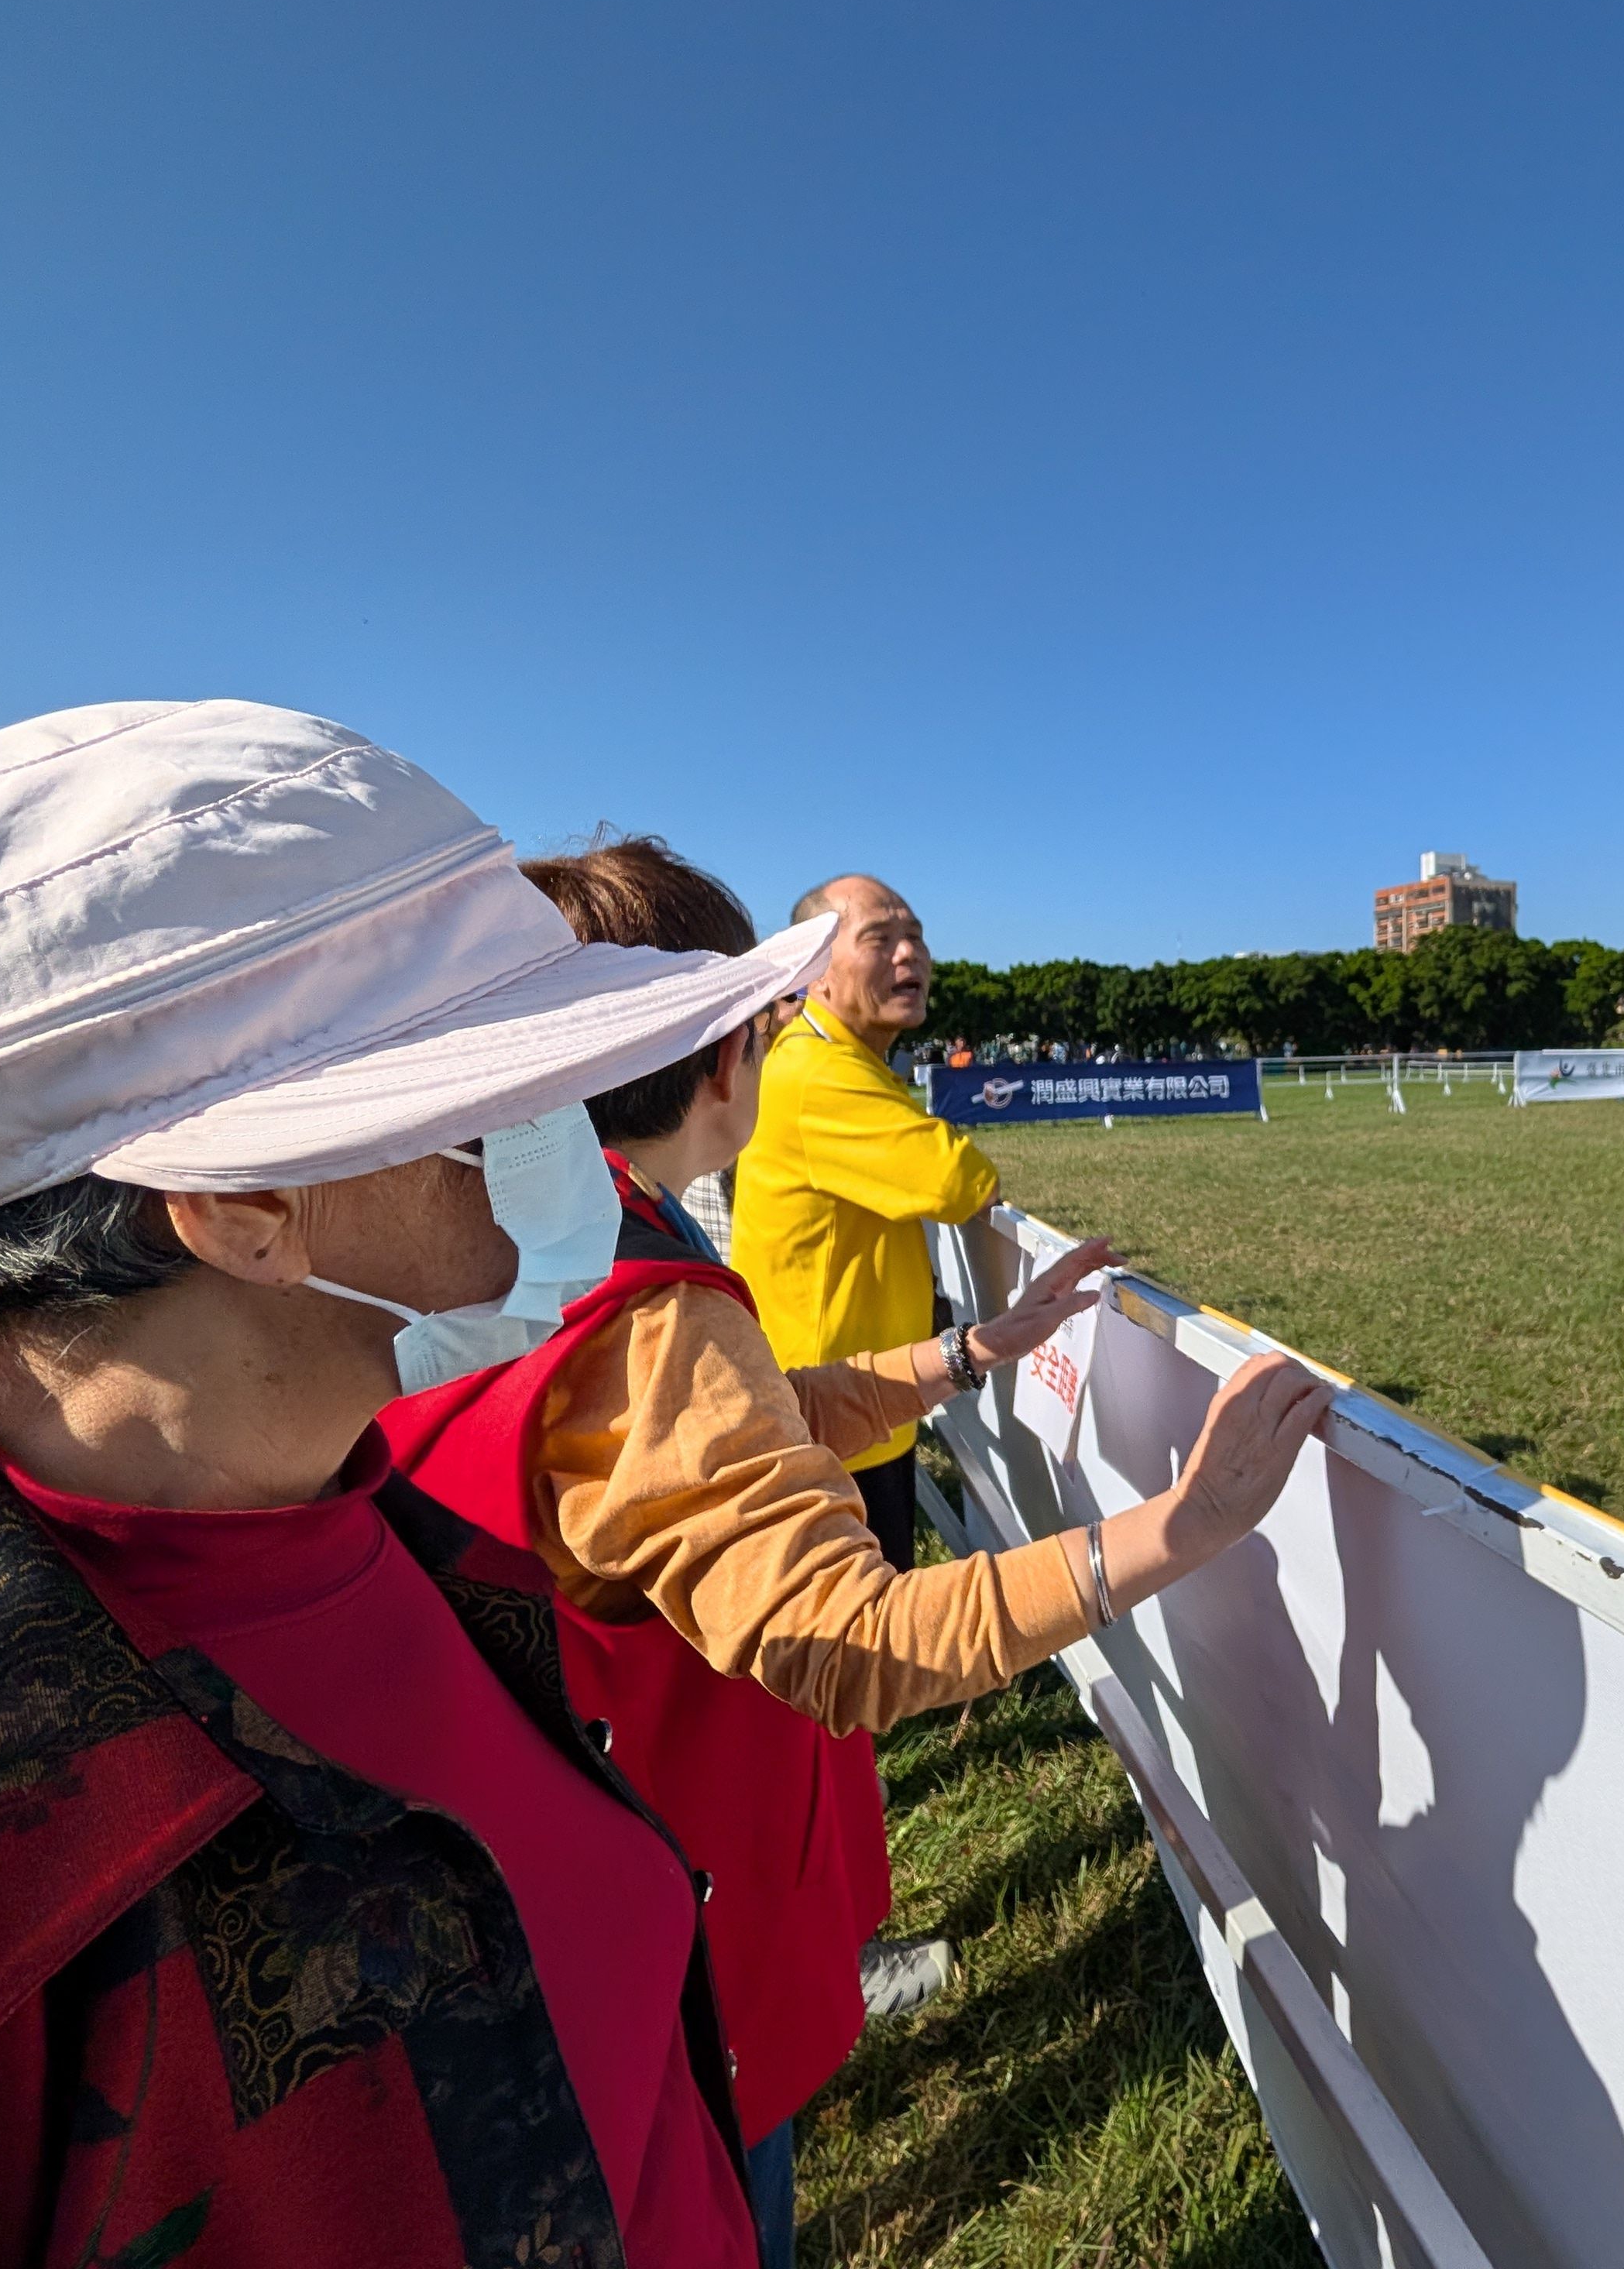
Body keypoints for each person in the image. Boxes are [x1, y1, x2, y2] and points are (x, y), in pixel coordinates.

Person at [0, 705, 1329, 2268]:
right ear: (240, 1209)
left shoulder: (377, 1519)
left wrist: (949, 1362)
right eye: (498, 1097)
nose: (567, 1134)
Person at [382, 840, 1318, 2267]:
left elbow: (710, 1434)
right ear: (722, 1059)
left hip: (572, 1871)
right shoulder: (647, 1305)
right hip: (683, 1919)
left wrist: (951, 1354)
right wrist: (1174, 1528)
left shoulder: (536, 1238)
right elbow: (852, 1639)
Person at [730, 874, 994, 1574]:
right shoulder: (821, 1072)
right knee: (867, 1645)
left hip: (853, 1398)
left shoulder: (842, 1059)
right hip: (837, 1416)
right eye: (880, 939)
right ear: (813, 972)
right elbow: (957, 1180)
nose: (910, 956)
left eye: (916, 937)